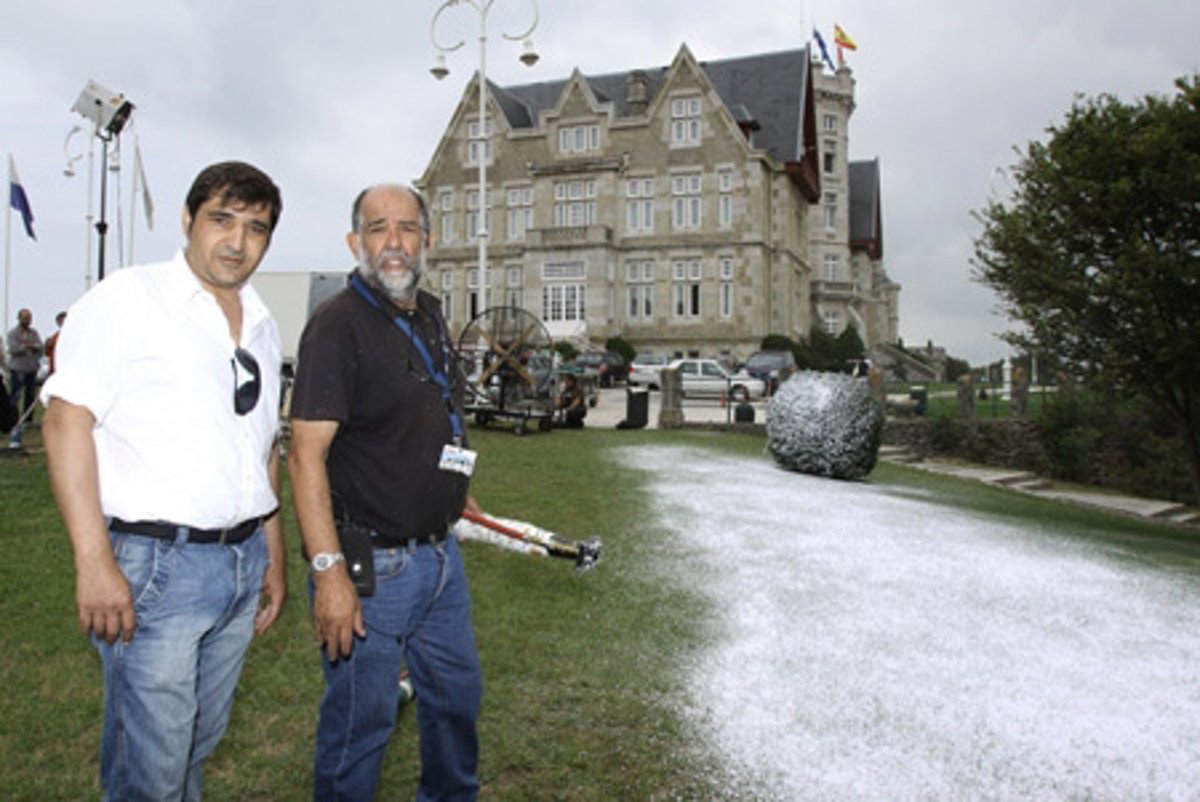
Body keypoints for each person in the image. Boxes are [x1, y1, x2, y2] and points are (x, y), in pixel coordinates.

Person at [41, 161, 287, 801]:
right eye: (221, 220)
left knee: (195, 746)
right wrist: (94, 561)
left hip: (241, 563)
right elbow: (66, 422)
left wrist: (273, 555)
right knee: (150, 769)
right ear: (187, 219)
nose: (237, 241)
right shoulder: (129, 299)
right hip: (155, 568)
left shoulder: (263, 324)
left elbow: (261, 447)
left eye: (256, 228)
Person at [288, 183, 483, 801]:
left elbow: (434, 412)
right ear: (356, 242)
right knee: (360, 726)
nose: (393, 242)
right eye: (378, 229)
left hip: (440, 558)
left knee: (456, 699)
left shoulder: (427, 313)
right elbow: (304, 455)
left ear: (428, 239)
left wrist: (453, 491)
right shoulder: (336, 326)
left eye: (407, 228)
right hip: (373, 570)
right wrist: (328, 574)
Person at [6, 307, 43, 419]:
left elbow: (40, 347)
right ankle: (12, 418)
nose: (28, 321)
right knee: (16, 395)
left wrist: (30, 346)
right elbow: (13, 349)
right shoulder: (13, 333)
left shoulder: (34, 333)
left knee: (30, 395)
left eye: (29, 318)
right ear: (19, 318)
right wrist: (27, 347)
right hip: (18, 369)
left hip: (32, 368)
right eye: (25, 318)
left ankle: (28, 419)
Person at [44, 310, 67, 375]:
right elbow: (47, 354)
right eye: (60, 321)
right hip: (55, 369)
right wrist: (47, 346)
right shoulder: (54, 337)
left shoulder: (76, 335)